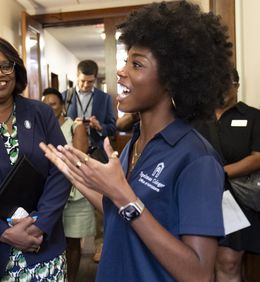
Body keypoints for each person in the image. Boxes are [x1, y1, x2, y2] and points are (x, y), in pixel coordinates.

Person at [40, 1, 232, 281]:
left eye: (137, 64)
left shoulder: (197, 159)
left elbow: (198, 273)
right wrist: (75, 174)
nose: (121, 72)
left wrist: (123, 195)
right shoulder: (140, 141)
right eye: (126, 61)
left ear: (171, 80)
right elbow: (119, 208)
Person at [0, 35, 70, 281]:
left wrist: (40, 223)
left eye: (6, 65)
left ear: (16, 70)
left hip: (43, 244)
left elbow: (61, 169)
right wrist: (2, 232)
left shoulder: (41, 112)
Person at [197, 68, 260, 281]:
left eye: (226, 82)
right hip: (200, 197)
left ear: (237, 86)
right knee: (199, 261)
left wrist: (220, 173)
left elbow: (257, 157)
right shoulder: (196, 118)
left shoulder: (253, 116)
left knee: (228, 262)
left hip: (236, 198)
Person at [42, 87, 94, 282]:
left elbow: (80, 159)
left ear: (62, 106)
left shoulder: (75, 126)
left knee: (72, 241)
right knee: (54, 239)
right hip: (49, 192)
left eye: (53, 104)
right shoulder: (41, 126)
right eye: (45, 104)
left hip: (74, 195)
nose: (49, 107)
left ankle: (71, 279)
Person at [62, 59, 116, 152]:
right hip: (71, 150)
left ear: (95, 78)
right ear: (77, 76)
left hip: (96, 151)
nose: (86, 85)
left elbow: (112, 128)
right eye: (82, 81)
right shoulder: (65, 96)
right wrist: (71, 126)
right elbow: (58, 126)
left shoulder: (105, 98)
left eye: (90, 81)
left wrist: (100, 127)